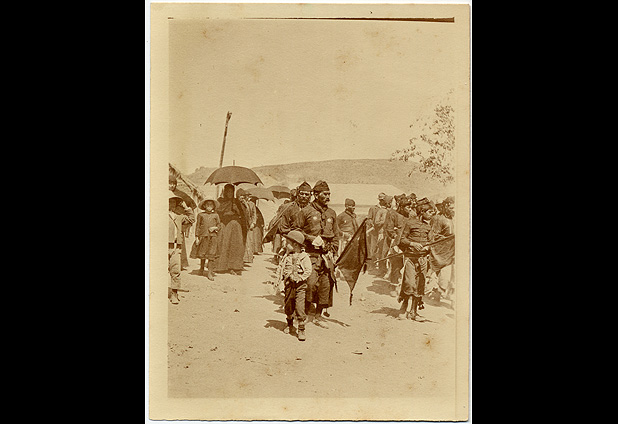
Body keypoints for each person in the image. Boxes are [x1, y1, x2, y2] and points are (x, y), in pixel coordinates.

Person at [293, 180, 339, 328]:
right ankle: (304, 313)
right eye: (325, 194)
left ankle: (318, 315)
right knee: (310, 284)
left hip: (326, 255)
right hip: (310, 254)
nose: (328, 197)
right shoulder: (306, 211)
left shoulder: (331, 213)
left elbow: (336, 234)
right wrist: (310, 238)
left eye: (329, 194)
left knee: (326, 285)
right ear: (316, 195)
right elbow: (296, 230)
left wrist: (334, 250)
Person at [396, 197, 435, 320]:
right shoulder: (410, 223)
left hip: (423, 259)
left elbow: (431, 242)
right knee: (409, 283)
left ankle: (414, 312)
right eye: (430, 212)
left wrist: (427, 247)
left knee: (419, 285)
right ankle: (404, 307)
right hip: (410, 258)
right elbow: (402, 239)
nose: (432, 214)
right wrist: (412, 244)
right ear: (422, 212)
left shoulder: (429, 227)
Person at [278, 230, 312, 341]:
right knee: (288, 305)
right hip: (289, 285)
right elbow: (282, 268)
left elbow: (308, 270)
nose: (286, 245)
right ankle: (289, 324)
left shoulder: (304, 257)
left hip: (300, 286)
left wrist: (300, 278)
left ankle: (301, 329)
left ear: (295, 245)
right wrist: (283, 278)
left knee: (299, 307)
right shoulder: (287, 256)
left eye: (288, 243)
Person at [214, 184, 247, 276]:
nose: (230, 193)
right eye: (228, 191)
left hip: (235, 226)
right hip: (224, 225)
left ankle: (234, 267)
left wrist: (237, 208)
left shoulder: (236, 201)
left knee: (235, 246)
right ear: (225, 192)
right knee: (223, 244)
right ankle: (220, 266)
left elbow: (243, 215)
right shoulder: (220, 201)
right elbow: (217, 212)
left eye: (231, 192)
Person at [169, 191, 195, 304]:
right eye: (170, 202)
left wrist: (186, 207)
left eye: (174, 202)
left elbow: (192, 219)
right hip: (163, 246)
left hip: (176, 247)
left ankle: (174, 293)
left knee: (176, 270)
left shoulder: (179, 217)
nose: (172, 204)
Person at [429, 196, 455, 302]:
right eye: (452, 208)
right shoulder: (438, 219)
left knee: (451, 274)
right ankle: (437, 292)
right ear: (446, 207)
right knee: (441, 273)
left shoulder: (455, 219)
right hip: (441, 251)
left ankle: (449, 293)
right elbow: (433, 236)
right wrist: (447, 238)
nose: (454, 210)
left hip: (453, 251)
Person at [385, 195, 412, 295]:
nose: (410, 209)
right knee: (396, 264)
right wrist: (395, 236)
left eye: (410, 207)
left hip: (408, 243)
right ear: (401, 207)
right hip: (397, 244)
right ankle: (393, 286)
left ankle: (405, 287)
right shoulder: (394, 215)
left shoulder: (412, 216)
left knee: (408, 265)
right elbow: (389, 229)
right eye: (408, 207)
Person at [194, 198, 222, 280]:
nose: (209, 206)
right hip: (203, 236)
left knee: (211, 254)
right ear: (204, 206)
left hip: (213, 237)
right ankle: (201, 268)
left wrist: (215, 228)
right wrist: (197, 237)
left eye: (211, 205)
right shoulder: (201, 215)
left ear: (213, 206)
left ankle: (209, 273)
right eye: (207, 205)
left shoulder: (216, 215)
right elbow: (198, 226)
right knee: (203, 253)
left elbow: (219, 225)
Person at [366, 193, 388, 266]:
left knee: (381, 248)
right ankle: (372, 265)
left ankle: (381, 265)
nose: (383, 201)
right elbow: (369, 219)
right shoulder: (373, 208)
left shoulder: (386, 209)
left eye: (384, 200)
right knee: (373, 248)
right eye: (381, 200)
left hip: (382, 231)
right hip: (374, 231)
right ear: (379, 200)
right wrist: (372, 224)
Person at [237, 189, 256, 264]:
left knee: (249, 241)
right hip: (243, 224)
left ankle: (248, 258)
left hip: (249, 224)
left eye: (248, 196)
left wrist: (253, 223)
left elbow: (254, 214)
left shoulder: (252, 204)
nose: (247, 197)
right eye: (246, 196)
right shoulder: (241, 203)